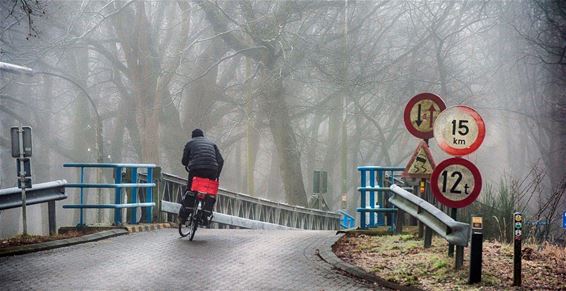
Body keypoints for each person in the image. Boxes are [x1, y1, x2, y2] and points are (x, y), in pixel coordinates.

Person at [179, 128, 224, 226]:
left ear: (192, 136)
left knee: (191, 189)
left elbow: (184, 161)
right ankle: (205, 214)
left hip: (196, 169)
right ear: (203, 136)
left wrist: (189, 164)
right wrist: (217, 175)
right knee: (209, 192)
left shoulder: (190, 143)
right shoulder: (212, 144)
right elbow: (221, 160)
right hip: (212, 170)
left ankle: (185, 215)